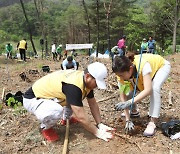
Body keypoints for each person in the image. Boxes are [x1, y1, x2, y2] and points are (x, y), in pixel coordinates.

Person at [23, 62, 115, 142]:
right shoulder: (74, 86)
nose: (96, 86)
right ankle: (46, 128)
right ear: (87, 76)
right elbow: (81, 117)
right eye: (96, 83)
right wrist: (97, 132)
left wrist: (100, 124)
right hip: (33, 99)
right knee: (56, 110)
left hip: (51, 96)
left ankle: (66, 118)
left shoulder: (84, 81)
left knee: (74, 99)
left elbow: (92, 103)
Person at [112, 53, 171, 137]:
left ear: (130, 69)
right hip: (138, 75)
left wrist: (129, 102)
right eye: (118, 75)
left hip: (161, 67)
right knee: (128, 91)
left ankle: (153, 122)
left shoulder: (143, 66)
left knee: (154, 88)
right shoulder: (120, 74)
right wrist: (128, 119)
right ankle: (133, 111)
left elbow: (148, 90)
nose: (120, 77)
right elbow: (123, 95)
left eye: (121, 75)